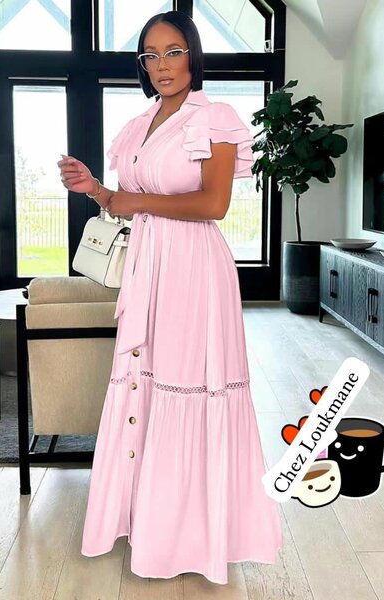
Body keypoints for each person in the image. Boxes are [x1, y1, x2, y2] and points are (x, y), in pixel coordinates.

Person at [58, 10, 283, 586]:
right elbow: (122, 200)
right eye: (151, 55)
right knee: (147, 380)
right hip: (148, 265)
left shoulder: (215, 118)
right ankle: (148, 523)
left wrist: (131, 202)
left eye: (173, 51)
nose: (162, 65)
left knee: (188, 382)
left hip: (194, 269)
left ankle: (195, 535)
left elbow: (213, 205)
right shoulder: (139, 125)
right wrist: (96, 189)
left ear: (193, 55)